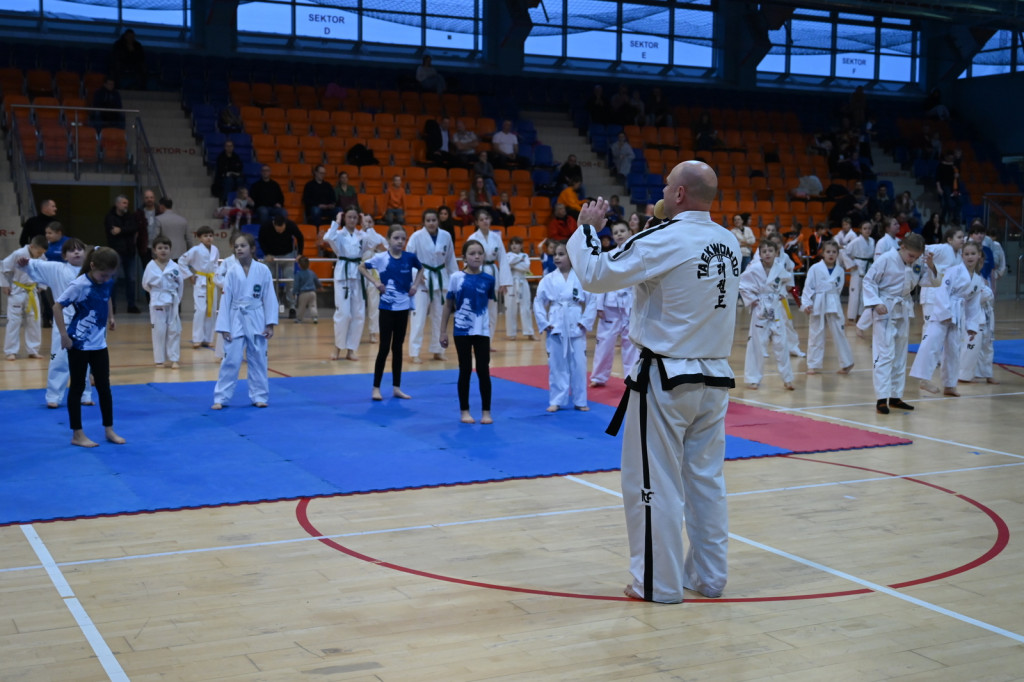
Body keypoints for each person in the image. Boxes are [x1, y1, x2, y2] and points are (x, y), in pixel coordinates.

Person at [566, 160, 741, 604]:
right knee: (706, 482)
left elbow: (596, 276)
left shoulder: (666, 238)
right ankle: (708, 576)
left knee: (653, 482)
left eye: (667, 185)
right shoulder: (728, 241)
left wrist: (588, 230)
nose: (662, 190)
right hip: (715, 378)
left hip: (667, 379)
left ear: (679, 194)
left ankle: (656, 583)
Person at [53, 246, 126, 447]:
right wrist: (63, 335)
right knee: (77, 387)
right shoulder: (79, 285)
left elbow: (107, 296)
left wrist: (111, 316)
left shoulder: (107, 280)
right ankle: (77, 434)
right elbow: (57, 306)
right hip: (78, 344)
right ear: (92, 266)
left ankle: (109, 429)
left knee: (104, 387)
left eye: (109, 275)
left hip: (99, 344)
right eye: (103, 275)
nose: (105, 278)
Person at [861, 233, 938, 413]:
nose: (914, 260)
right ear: (902, 247)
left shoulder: (917, 262)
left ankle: (895, 396)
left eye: (917, 257)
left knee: (900, 354)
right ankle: (881, 398)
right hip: (885, 307)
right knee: (884, 353)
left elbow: (929, 281)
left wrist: (932, 266)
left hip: (903, 308)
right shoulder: (886, 259)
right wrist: (876, 302)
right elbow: (868, 281)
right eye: (911, 255)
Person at [211, 233, 279, 410]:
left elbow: (269, 297)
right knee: (231, 359)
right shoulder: (232, 271)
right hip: (235, 316)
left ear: (253, 249)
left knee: (258, 359)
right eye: (236, 246)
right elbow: (225, 300)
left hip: (256, 315)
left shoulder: (263, 270)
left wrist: (270, 323)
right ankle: (221, 397)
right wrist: (224, 326)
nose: (239, 249)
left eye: (243, 246)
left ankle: (259, 395)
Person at [360, 225, 426, 401]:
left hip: (403, 308)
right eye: (396, 238)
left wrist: (415, 285)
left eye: (403, 239)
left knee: (398, 348)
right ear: (388, 240)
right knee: (384, 348)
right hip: (387, 309)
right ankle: (376, 387)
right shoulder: (381, 258)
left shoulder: (410, 257)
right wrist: (375, 283)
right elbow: (361, 267)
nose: (400, 242)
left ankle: (397, 387)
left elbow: (421, 269)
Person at [910, 240, 984, 397]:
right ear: (962, 256)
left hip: (958, 315)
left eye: (973, 254)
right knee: (931, 345)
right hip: (942, 314)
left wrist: (972, 326)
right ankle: (924, 380)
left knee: (953, 351)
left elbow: (973, 305)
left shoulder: (977, 280)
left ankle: (950, 385)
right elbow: (942, 291)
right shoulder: (954, 271)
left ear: (979, 256)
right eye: (966, 254)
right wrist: (945, 313)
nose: (969, 257)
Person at [534, 242, 596, 412]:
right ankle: (556, 400)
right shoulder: (548, 279)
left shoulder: (581, 278)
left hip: (576, 324)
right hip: (556, 324)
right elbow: (539, 302)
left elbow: (592, 301)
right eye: (555, 254)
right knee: (556, 364)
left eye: (561, 254)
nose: (556, 257)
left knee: (579, 365)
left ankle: (580, 400)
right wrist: (545, 323)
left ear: (572, 257)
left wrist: (584, 321)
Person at [440, 240, 495, 425]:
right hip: (462, 331)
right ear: (464, 257)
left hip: (482, 331)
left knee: (483, 370)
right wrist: (443, 332)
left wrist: (487, 328)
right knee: (465, 370)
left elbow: (487, 306)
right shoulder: (456, 277)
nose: (476, 256)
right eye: (472, 253)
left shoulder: (489, 279)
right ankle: (465, 411)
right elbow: (448, 305)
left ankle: (486, 412)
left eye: (480, 253)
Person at [740, 241, 795, 391]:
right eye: (764, 251)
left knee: (782, 344)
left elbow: (786, 281)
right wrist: (754, 300)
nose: (767, 254)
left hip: (775, 307)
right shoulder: (753, 268)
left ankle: (787, 378)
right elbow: (743, 286)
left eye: (770, 250)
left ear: (776, 253)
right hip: (760, 308)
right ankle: (753, 379)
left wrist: (782, 294)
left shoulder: (779, 268)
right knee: (756, 344)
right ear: (759, 254)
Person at [589, 221, 638, 387]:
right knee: (604, 341)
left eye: (622, 231)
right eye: (616, 232)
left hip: (631, 304)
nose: (619, 234)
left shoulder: (637, 254)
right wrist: (599, 305)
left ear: (630, 232)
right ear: (612, 236)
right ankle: (598, 377)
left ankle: (632, 377)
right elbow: (601, 281)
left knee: (631, 343)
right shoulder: (607, 256)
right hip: (610, 305)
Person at [406, 209, 457, 363]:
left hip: (441, 278)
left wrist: (455, 282)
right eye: (428, 220)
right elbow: (409, 259)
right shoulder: (416, 237)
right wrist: (417, 275)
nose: (431, 223)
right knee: (419, 317)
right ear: (423, 222)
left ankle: (438, 350)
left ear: (438, 221)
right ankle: (414, 352)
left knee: (440, 317)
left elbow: (450, 260)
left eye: (434, 220)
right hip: (421, 280)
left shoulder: (446, 236)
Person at [800, 241, 854, 375]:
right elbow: (808, 287)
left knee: (839, 333)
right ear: (822, 253)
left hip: (833, 301)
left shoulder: (840, 270)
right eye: (828, 252)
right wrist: (807, 303)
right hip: (818, 302)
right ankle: (812, 365)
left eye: (834, 252)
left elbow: (839, 288)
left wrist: (832, 298)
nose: (831, 254)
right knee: (816, 333)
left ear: (837, 254)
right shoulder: (815, 268)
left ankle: (847, 363)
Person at [323, 207, 368, 361]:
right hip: (343, 273)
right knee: (343, 313)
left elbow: (376, 242)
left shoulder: (362, 234)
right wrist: (336, 222)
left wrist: (366, 226)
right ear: (344, 218)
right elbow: (327, 238)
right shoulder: (339, 234)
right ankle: (337, 347)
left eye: (355, 217)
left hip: (358, 274)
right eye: (349, 217)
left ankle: (351, 349)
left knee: (358, 314)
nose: (352, 220)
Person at [142, 235, 188, 369]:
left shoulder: (175, 266)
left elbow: (180, 285)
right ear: (155, 250)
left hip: (172, 301)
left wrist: (177, 300)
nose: (163, 250)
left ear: (170, 250)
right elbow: (145, 284)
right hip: (157, 301)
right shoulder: (150, 266)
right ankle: (159, 360)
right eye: (160, 248)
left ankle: (174, 359)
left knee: (174, 330)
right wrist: (155, 294)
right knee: (159, 331)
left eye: (166, 248)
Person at [466, 209, 511, 343]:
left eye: (487, 218)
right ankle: (475, 341)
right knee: (477, 310)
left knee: (492, 311)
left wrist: (504, 281)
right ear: (477, 222)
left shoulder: (495, 237)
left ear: (490, 220)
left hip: (493, 273)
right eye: (482, 219)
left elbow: (503, 258)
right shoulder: (473, 238)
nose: (485, 221)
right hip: (478, 273)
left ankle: (488, 342)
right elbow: (467, 259)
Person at [2, 236, 47, 360]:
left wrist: (42, 285)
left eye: (42, 253)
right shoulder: (18, 254)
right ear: (32, 247)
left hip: (32, 291)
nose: (40, 255)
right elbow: (2, 268)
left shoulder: (41, 256)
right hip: (17, 291)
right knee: (14, 321)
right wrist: (4, 285)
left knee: (34, 321)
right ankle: (11, 351)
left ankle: (33, 350)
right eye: (38, 252)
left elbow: (45, 270)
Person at [178, 225, 220, 348]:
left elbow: (216, 266)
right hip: (200, 280)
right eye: (205, 236)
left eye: (211, 236)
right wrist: (190, 275)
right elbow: (182, 261)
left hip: (212, 280)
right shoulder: (195, 250)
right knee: (200, 310)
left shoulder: (215, 250)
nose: (209, 238)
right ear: (199, 238)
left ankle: (208, 338)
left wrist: (219, 279)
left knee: (211, 310)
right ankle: (197, 338)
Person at [258, 214, 304, 319]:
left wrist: (300, 253)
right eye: (278, 230)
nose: (280, 232)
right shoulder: (266, 226)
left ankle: (292, 306)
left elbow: (300, 237)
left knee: (289, 280)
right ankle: (272, 306)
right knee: (270, 281)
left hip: (287, 255)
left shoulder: (291, 225)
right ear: (274, 224)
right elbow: (261, 240)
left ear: (285, 225)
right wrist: (266, 254)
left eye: (282, 230)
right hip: (271, 256)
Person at [104, 194, 140, 314]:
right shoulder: (110, 217)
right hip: (116, 252)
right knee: (113, 279)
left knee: (131, 279)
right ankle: (112, 306)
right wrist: (126, 231)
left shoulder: (130, 216)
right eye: (124, 203)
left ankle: (131, 305)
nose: (126, 205)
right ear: (117, 204)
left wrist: (121, 230)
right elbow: (112, 232)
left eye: (127, 203)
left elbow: (134, 228)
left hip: (130, 252)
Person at [359, 212, 388, 343]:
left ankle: (373, 332)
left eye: (370, 222)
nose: (367, 224)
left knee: (374, 303)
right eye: (365, 222)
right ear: (360, 223)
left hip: (374, 272)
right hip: (359, 270)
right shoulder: (357, 236)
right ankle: (355, 333)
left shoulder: (378, 237)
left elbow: (386, 252)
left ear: (373, 224)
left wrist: (378, 248)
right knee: (357, 305)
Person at [841, 221, 874, 322]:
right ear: (860, 230)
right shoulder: (856, 241)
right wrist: (851, 264)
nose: (867, 230)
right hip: (857, 269)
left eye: (869, 228)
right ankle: (852, 316)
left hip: (868, 268)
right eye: (865, 228)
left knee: (864, 294)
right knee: (855, 293)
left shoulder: (872, 241)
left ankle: (861, 314)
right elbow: (844, 252)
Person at [504, 236, 535, 341]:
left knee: (526, 308)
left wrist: (513, 264)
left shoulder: (525, 255)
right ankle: (511, 334)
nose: (514, 245)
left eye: (516, 243)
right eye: (512, 243)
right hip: (511, 283)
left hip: (522, 282)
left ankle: (529, 332)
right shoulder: (507, 255)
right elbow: (507, 264)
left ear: (521, 245)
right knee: (510, 308)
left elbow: (526, 267)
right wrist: (518, 260)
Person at [212, 139, 245, 203]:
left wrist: (234, 172)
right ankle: (226, 200)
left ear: (233, 147)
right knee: (229, 180)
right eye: (227, 146)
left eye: (231, 146)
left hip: (235, 176)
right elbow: (220, 170)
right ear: (225, 147)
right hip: (223, 177)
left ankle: (240, 200)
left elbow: (239, 167)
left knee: (240, 180)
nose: (229, 148)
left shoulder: (236, 156)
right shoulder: (221, 157)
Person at [134, 188, 159, 267]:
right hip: (144, 247)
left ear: (154, 198)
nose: (149, 199)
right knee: (146, 269)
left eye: (151, 197)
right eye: (147, 198)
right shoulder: (139, 213)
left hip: (158, 246)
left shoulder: (159, 212)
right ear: (143, 199)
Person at [293, 256, 321, 324]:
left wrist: (294, 292)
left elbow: (296, 285)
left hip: (303, 293)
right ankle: (315, 317)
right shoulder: (312, 273)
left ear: (299, 265)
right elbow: (316, 280)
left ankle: (299, 319)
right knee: (313, 305)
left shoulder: (298, 274)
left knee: (301, 307)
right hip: (312, 292)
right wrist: (319, 286)